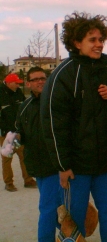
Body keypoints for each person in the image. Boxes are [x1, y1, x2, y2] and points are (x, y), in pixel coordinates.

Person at [41, 11, 107, 241]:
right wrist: (63, 165)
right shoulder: (62, 75)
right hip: (77, 168)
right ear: (76, 42)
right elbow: (54, 124)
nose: (99, 44)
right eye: (92, 40)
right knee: (74, 222)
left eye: (101, 39)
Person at [16, 67, 60, 242]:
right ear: (28, 84)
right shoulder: (24, 106)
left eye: (43, 78)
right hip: (38, 165)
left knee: (50, 207)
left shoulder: (57, 101)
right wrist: (15, 139)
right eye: (35, 79)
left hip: (57, 164)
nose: (40, 81)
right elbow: (20, 131)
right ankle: (69, 235)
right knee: (53, 207)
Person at [0, 72, 37, 192]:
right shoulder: (1, 93)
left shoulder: (18, 93)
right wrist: (5, 131)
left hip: (19, 130)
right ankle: (8, 182)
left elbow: (25, 107)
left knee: (24, 155)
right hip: (6, 132)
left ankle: (28, 179)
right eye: (16, 83)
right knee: (7, 158)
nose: (18, 85)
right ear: (10, 83)